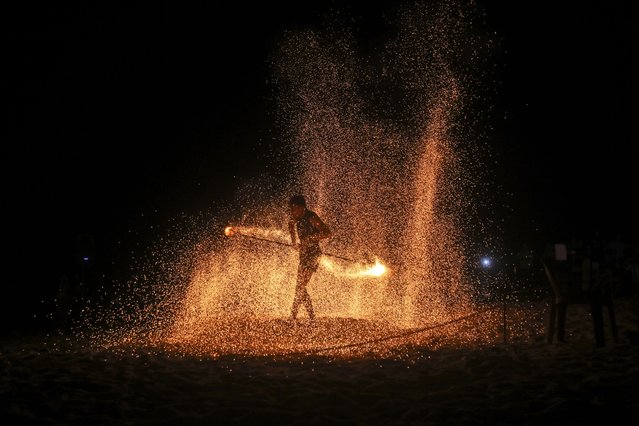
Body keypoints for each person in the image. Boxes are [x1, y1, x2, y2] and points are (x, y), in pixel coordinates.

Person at [287, 194, 332, 323]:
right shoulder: (295, 217)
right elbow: (290, 225)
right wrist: (294, 242)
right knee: (300, 286)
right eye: (291, 209)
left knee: (300, 286)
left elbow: (328, 233)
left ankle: (294, 316)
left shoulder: (311, 217)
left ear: (302, 207)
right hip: (304, 255)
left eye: (294, 208)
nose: (292, 211)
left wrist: (309, 239)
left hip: (313, 255)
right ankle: (310, 318)